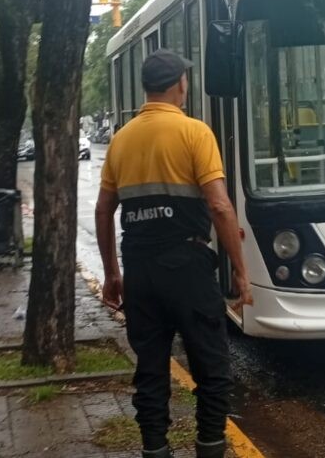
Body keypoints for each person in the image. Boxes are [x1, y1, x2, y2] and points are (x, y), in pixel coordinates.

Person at [95, 49, 253, 458]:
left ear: (147, 87)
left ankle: (155, 450)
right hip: (188, 269)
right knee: (212, 370)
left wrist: (113, 274)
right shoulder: (195, 133)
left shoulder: (121, 140)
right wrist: (240, 270)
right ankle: (210, 447)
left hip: (141, 272)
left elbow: (103, 209)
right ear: (180, 84)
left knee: (150, 372)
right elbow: (219, 206)